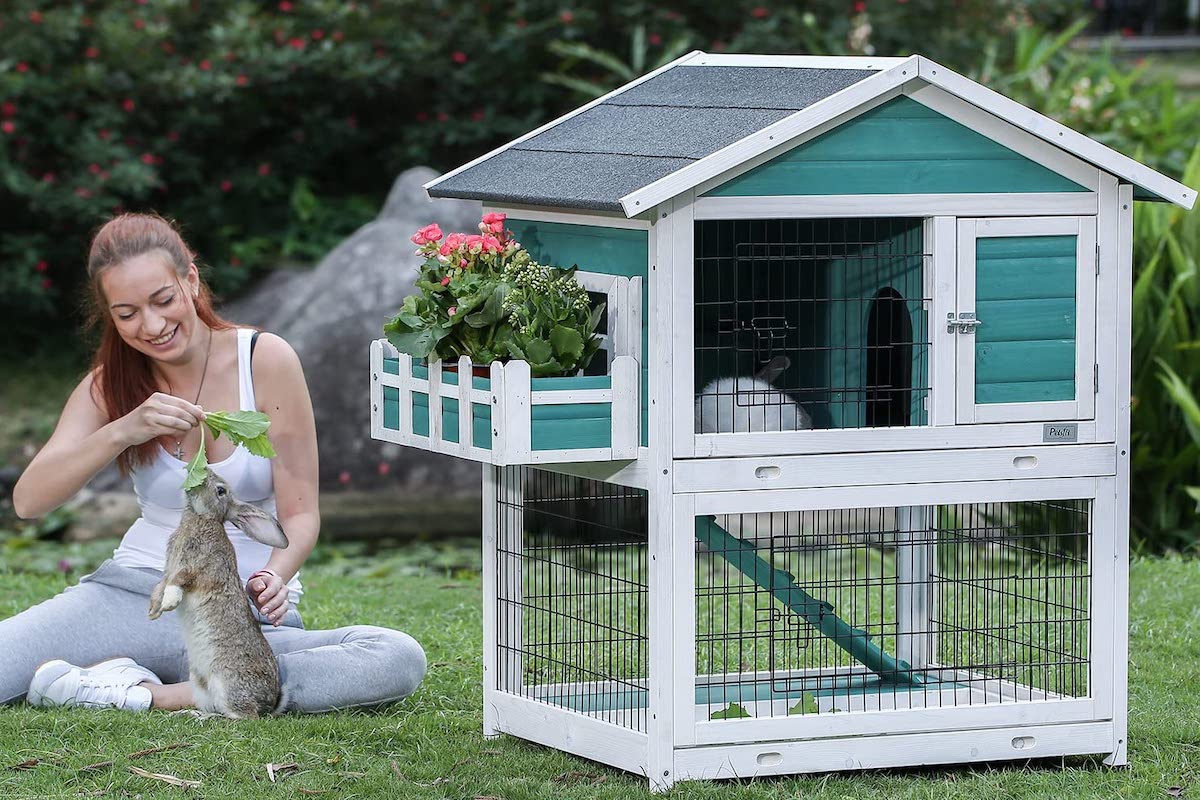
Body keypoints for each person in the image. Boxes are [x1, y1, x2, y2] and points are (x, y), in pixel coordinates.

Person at [4, 212, 426, 713]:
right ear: (110, 316)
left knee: (396, 657)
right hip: (137, 593)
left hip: (236, 617)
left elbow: (301, 515)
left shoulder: (264, 361)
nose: (153, 325)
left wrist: (276, 575)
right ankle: (178, 685)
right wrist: (123, 430)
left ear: (190, 280)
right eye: (128, 313)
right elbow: (29, 502)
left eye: (163, 300)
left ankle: (144, 695)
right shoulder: (108, 385)